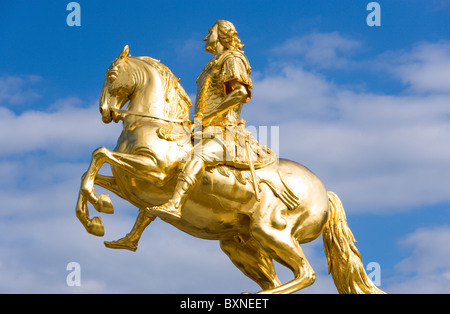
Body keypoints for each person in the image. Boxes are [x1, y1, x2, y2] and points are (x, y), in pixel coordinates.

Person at [148, 20, 275, 219]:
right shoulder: (213, 63)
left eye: (211, 31)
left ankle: (175, 204)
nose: (206, 36)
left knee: (199, 156)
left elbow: (240, 92)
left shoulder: (232, 58)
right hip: (203, 128)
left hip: (226, 130)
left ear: (222, 34)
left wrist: (210, 115)